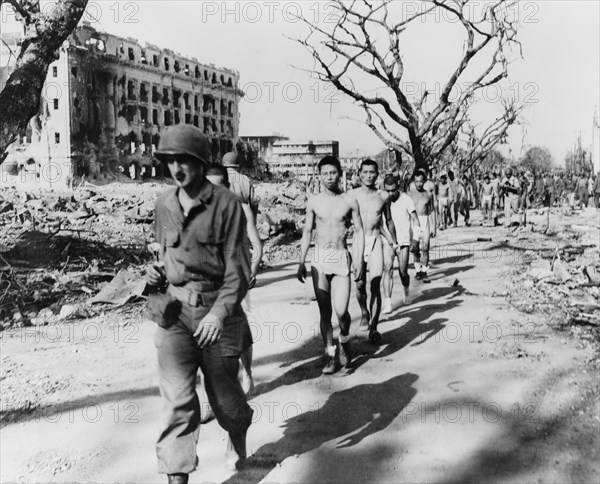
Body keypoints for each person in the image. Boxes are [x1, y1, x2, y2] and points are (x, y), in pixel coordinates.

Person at [146, 125, 253, 484]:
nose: (177, 168)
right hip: (176, 315)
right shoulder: (163, 204)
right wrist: (153, 277)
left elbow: (237, 271)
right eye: (170, 160)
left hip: (216, 310)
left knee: (226, 404)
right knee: (178, 404)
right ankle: (177, 477)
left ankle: (237, 437)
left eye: (184, 160)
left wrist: (220, 314)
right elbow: (165, 256)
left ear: (199, 161)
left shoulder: (226, 205)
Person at [297, 156, 365, 374]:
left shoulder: (349, 201)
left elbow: (360, 231)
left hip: (341, 257)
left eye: (333, 172)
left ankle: (345, 340)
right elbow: (307, 231)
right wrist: (301, 261)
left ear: (340, 173)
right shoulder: (314, 201)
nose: (329, 177)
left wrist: (359, 259)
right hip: (319, 259)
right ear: (319, 175)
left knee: (342, 310)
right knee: (324, 311)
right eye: (325, 173)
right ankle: (330, 354)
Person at [348, 159, 393, 341]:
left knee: (375, 283)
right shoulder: (351, 195)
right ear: (359, 174)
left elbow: (388, 221)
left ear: (377, 174)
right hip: (358, 242)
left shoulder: (383, 196)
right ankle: (364, 311)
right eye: (365, 172)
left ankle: (374, 328)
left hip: (375, 241)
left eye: (372, 172)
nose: (368, 176)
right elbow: (342, 221)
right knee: (359, 284)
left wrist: (393, 243)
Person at [384, 175, 422, 306]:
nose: (390, 193)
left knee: (403, 272)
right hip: (388, 241)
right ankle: (388, 302)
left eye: (393, 190)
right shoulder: (383, 200)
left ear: (398, 186)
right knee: (387, 269)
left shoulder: (406, 199)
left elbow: (415, 219)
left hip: (404, 241)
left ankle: (406, 291)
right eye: (387, 190)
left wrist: (416, 238)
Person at [408, 170, 434, 282]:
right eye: (416, 181)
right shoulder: (409, 194)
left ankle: (424, 271)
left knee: (426, 247)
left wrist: (433, 226)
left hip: (425, 220)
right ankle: (418, 270)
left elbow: (432, 210)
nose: (419, 184)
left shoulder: (429, 194)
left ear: (424, 181)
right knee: (415, 248)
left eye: (421, 182)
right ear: (414, 181)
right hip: (413, 222)